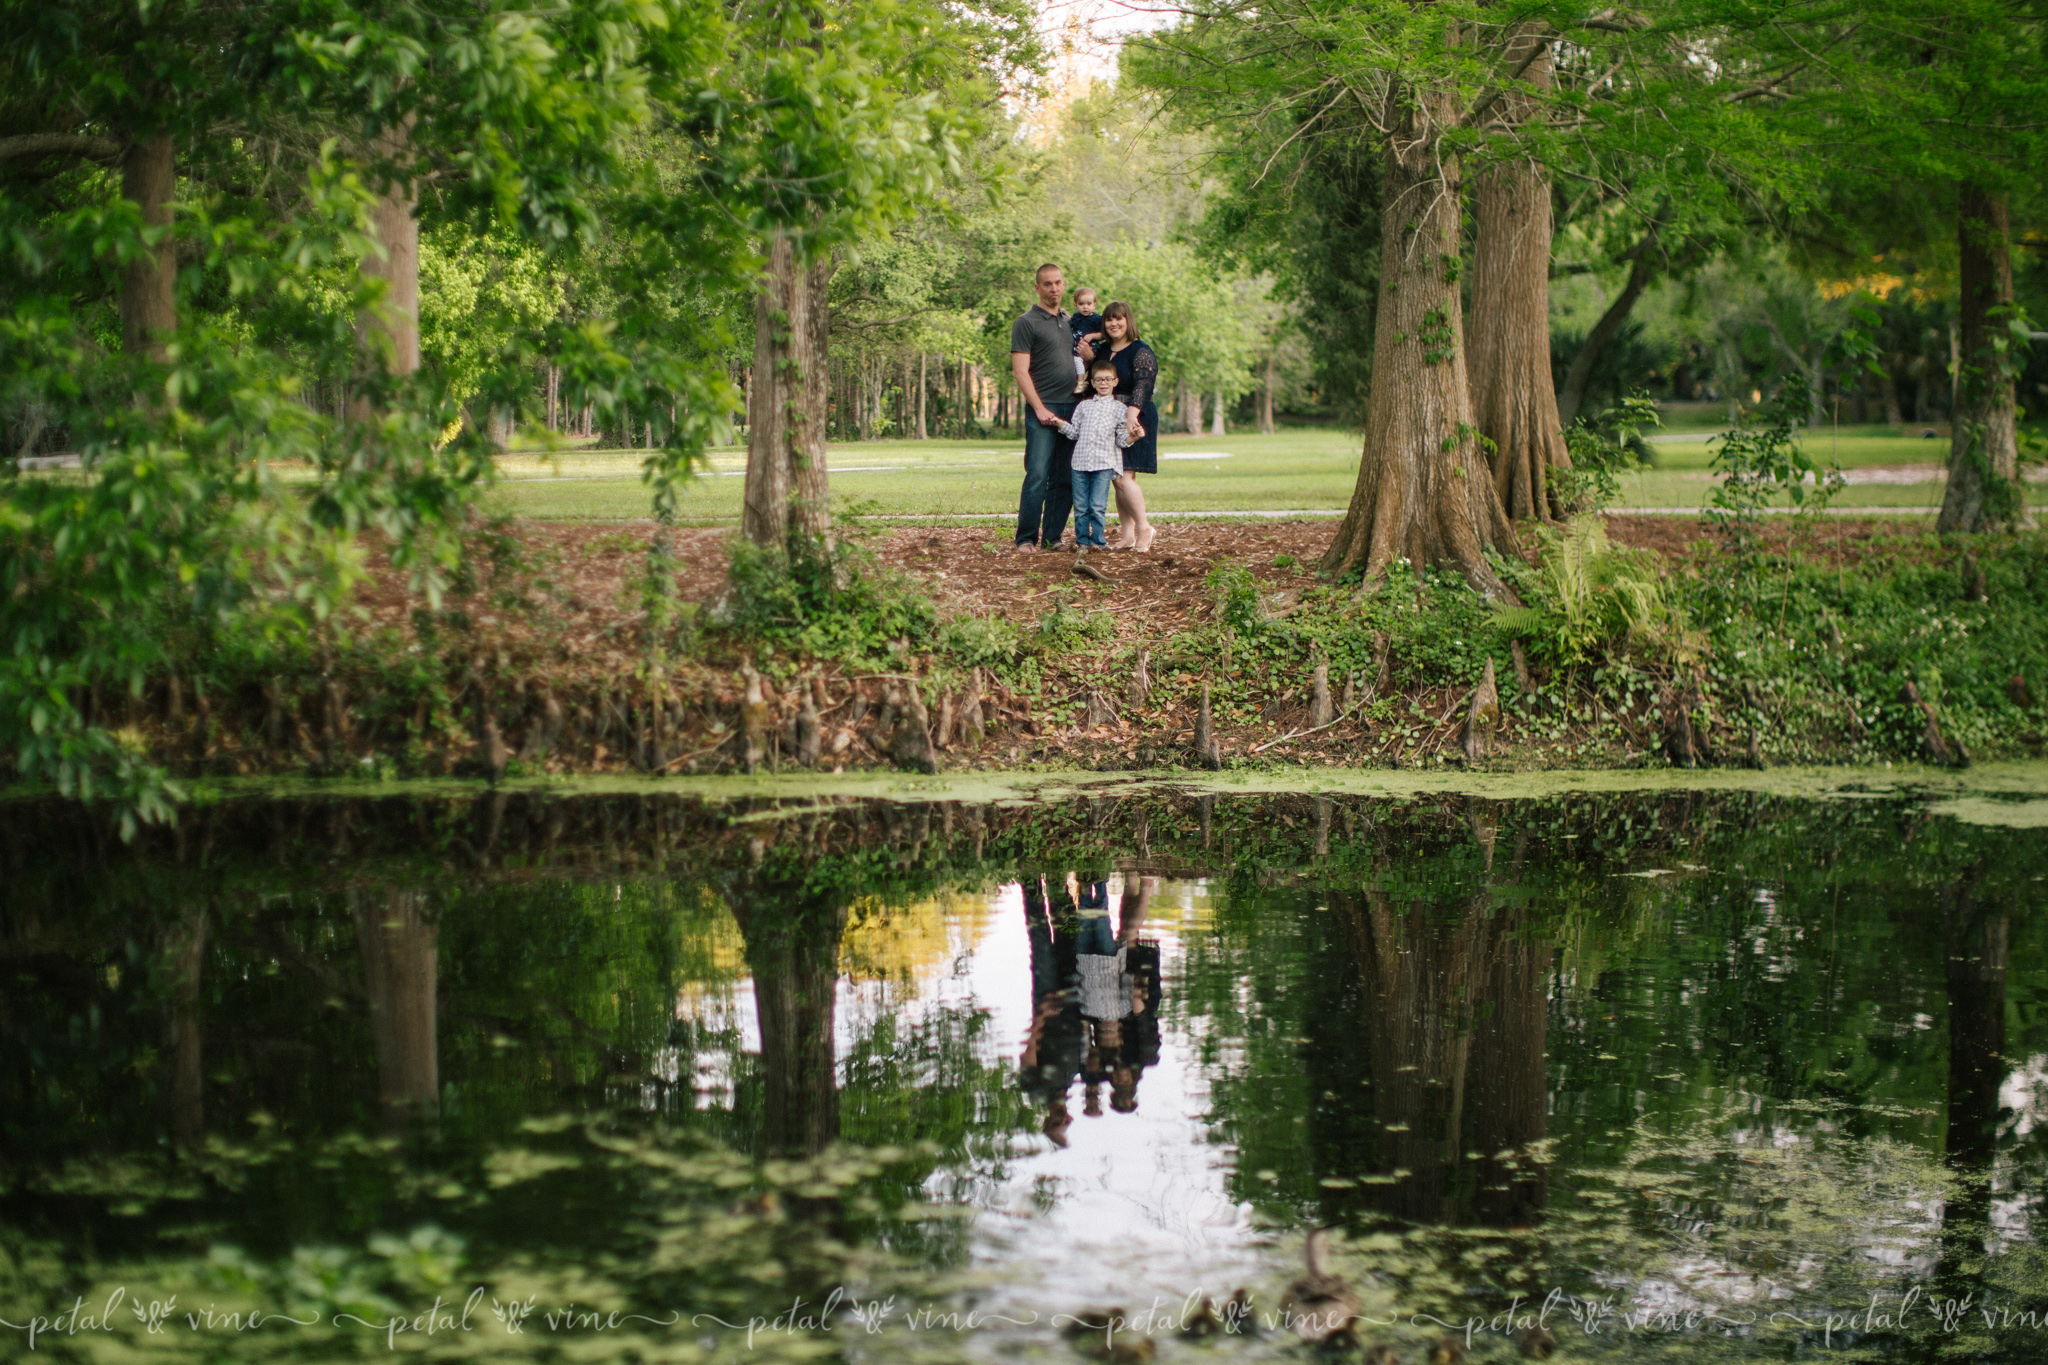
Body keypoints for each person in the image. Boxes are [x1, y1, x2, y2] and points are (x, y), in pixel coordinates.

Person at [1010, 263, 1081, 553]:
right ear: (1037, 287)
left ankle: (1053, 537)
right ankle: (1026, 538)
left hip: (1072, 408)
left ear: (1064, 285)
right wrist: (1038, 408)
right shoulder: (1026, 322)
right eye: (1048, 284)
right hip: (1043, 408)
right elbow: (1020, 371)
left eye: (1059, 283)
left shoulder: (1069, 322)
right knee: (1038, 473)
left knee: (1064, 475)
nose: (1054, 288)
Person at [1082, 301, 1159, 551]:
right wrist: (1089, 360)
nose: (1114, 323)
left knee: (1124, 476)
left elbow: (1143, 385)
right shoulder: (1103, 351)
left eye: (1119, 319)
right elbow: (1097, 380)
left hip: (1134, 415)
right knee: (1116, 477)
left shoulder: (1141, 350)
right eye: (1109, 319)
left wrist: (1131, 415)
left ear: (1128, 321)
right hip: (1108, 418)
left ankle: (1144, 528)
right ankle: (1127, 535)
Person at [1051, 359, 1138, 556]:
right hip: (1080, 464)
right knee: (1081, 507)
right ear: (1092, 383)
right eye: (1099, 380)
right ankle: (1082, 541)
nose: (1103, 383)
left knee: (1097, 506)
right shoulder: (1083, 406)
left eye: (1108, 379)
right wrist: (1059, 423)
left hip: (1103, 465)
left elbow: (1122, 440)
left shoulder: (1119, 409)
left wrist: (1134, 436)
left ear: (1115, 381)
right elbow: (1074, 433)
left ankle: (1098, 542)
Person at [1068, 288, 1105, 395]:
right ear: (1076, 306)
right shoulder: (1076, 318)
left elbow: (1103, 335)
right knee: (1075, 361)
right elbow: (1070, 323)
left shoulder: (1096, 319)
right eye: (1081, 304)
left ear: (1094, 305)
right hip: (1077, 346)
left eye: (1089, 304)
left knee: (1078, 361)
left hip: (1091, 347)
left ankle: (1080, 382)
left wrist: (1093, 335)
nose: (1085, 307)